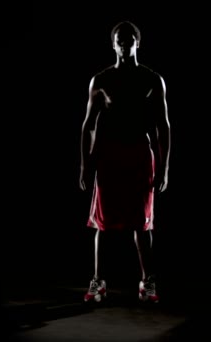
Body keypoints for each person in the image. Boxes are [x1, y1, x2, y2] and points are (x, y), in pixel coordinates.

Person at [79, 21, 171, 303]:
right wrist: (85, 164)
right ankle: (98, 281)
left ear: (138, 42)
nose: (125, 43)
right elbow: (88, 126)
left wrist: (164, 168)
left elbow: (162, 127)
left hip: (139, 156)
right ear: (113, 44)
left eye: (130, 39)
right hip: (109, 156)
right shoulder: (101, 80)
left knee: (143, 225)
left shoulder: (152, 80)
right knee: (102, 224)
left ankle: (148, 282)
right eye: (120, 39)